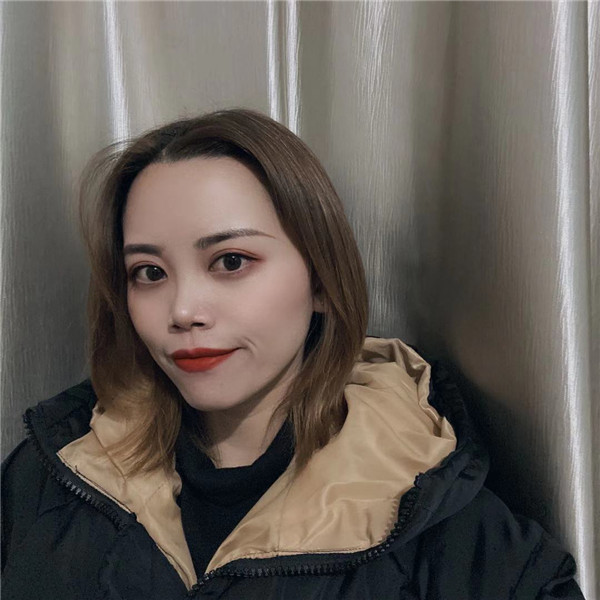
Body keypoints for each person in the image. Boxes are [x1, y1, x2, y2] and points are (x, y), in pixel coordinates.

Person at [1, 108, 584, 600]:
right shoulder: (50, 472)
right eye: (149, 272)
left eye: (231, 262)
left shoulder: (442, 523)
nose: (183, 310)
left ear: (322, 281)